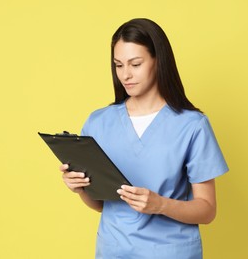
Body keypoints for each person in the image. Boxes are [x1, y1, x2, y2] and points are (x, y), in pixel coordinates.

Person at [59, 18, 229, 259]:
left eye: (135, 64)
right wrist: (80, 189)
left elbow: (207, 210)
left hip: (171, 252)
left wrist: (160, 204)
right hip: (113, 250)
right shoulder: (98, 123)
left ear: (158, 61)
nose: (125, 75)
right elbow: (101, 205)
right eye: (118, 65)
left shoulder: (192, 126)